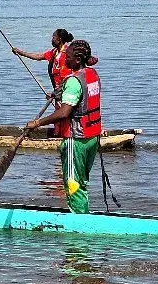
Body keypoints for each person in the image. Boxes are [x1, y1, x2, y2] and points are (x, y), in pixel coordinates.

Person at [24, 40, 101, 214]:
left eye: (68, 56)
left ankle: (80, 224)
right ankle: (84, 213)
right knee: (82, 182)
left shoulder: (74, 80)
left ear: (77, 59)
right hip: (92, 137)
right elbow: (77, 91)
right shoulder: (91, 74)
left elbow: (64, 113)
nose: (65, 59)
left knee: (73, 184)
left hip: (77, 139)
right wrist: (56, 93)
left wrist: (37, 123)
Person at [11, 28, 75, 91]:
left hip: (65, 90)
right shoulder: (55, 52)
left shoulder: (65, 54)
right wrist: (21, 53)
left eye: (54, 37)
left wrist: (56, 94)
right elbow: (38, 56)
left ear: (60, 39)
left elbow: (66, 78)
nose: (52, 40)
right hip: (58, 90)